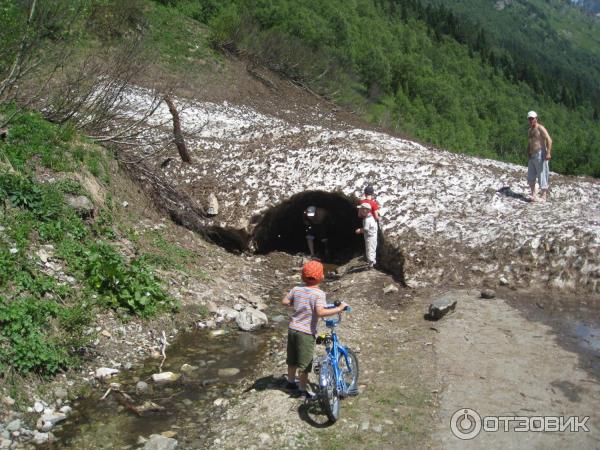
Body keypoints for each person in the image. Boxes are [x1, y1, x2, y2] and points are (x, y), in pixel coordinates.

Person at [282, 260, 348, 399]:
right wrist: (338, 308)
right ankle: (302, 390)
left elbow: (285, 302)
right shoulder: (319, 294)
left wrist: (299, 303)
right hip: (306, 332)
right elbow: (320, 312)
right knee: (305, 363)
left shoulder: (296, 289)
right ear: (322, 277)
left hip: (292, 329)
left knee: (292, 358)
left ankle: (290, 382)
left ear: (302, 277)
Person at [526, 111, 553, 202]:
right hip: (532, 155)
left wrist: (548, 152)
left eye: (532, 118)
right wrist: (528, 151)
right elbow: (530, 142)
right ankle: (533, 194)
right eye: (529, 119)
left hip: (540, 153)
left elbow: (549, 140)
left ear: (536, 118)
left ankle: (544, 196)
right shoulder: (529, 130)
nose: (531, 120)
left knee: (542, 175)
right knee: (531, 176)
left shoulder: (540, 128)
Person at [355, 203, 378, 268]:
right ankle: (373, 262)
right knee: (373, 249)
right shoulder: (371, 217)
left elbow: (366, 229)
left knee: (369, 250)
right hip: (373, 235)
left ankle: (370, 264)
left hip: (370, 237)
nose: (359, 211)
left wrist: (359, 230)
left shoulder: (367, 220)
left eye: (361, 209)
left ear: (365, 210)